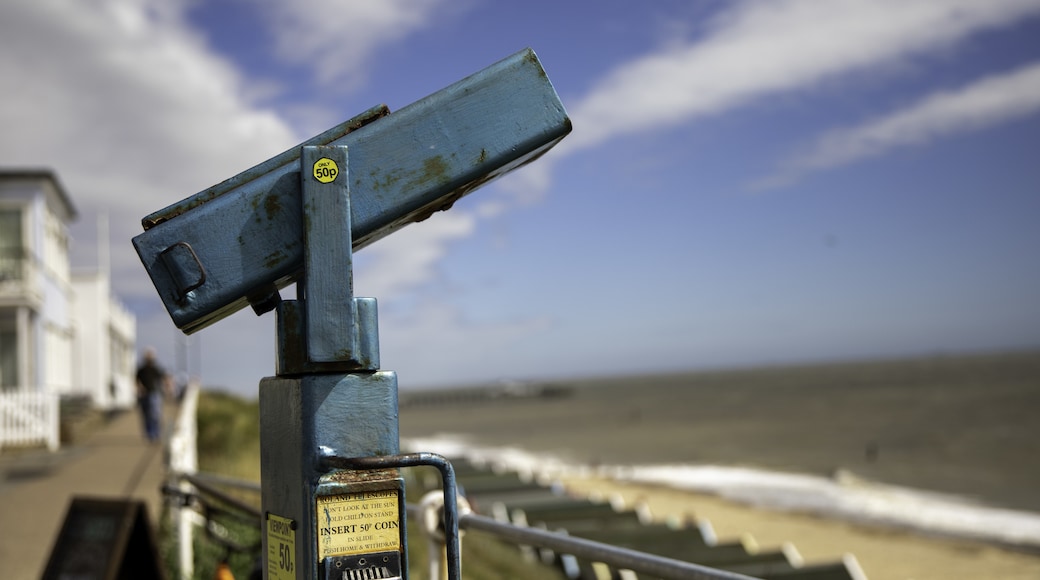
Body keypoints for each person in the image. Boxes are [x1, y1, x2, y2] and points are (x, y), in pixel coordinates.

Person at [135, 347, 169, 442]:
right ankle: (150, 434)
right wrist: (140, 389)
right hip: (144, 395)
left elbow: (163, 379)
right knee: (146, 415)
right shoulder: (141, 369)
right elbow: (137, 381)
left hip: (154, 394)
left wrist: (167, 389)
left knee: (155, 415)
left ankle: (156, 434)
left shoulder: (156, 368)